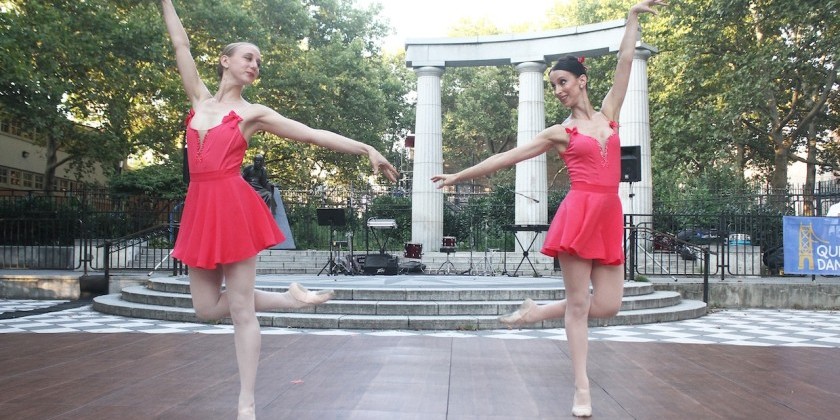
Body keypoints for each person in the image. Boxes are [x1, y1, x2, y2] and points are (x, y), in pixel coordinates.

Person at [159, 1, 399, 419]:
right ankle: (290, 299)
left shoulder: (253, 114)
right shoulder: (198, 98)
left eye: (259, 61)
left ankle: (246, 402)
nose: (255, 65)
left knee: (239, 310)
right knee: (204, 308)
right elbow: (179, 43)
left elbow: (311, 135)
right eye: (248, 57)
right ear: (225, 61)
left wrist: (366, 149)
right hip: (200, 208)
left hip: (233, 207)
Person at [431, 1, 666, 417]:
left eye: (562, 82)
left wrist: (631, 18)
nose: (557, 90)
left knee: (609, 305)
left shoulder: (610, 115)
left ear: (582, 81)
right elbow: (507, 158)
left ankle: (537, 312)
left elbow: (626, 61)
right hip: (578, 213)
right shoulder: (560, 132)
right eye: (553, 85)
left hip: (608, 214)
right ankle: (581, 388)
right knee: (578, 306)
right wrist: (457, 177)